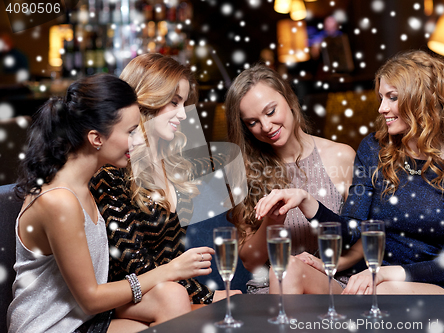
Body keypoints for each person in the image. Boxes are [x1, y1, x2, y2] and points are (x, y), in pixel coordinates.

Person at [254, 50, 444, 295]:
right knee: (286, 269)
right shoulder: (374, 149)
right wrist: (306, 200)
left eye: (392, 97)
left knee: (384, 292)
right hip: (373, 284)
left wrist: (383, 274)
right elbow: (350, 232)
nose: (381, 108)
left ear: (422, 99)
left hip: (443, 288)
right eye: (381, 97)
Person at [8, 74, 213, 333]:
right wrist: (171, 270)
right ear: (96, 139)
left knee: (172, 297)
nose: (139, 140)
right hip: (52, 326)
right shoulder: (59, 200)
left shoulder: (89, 181)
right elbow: (91, 298)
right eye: (131, 131)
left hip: (84, 317)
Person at [90, 53, 236, 306]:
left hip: (171, 291)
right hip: (127, 297)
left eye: (185, 104)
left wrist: (208, 295)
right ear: (147, 99)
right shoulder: (112, 171)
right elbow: (133, 264)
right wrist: (208, 298)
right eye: (174, 102)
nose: (183, 114)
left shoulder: (174, 162)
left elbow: (171, 260)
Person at [224, 63, 359, 294]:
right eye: (253, 122)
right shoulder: (245, 171)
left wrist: (330, 266)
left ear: (289, 98)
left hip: (331, 284)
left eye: (270, 111)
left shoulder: (341, 156)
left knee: (288, 269)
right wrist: (273, 222)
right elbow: (250, 262)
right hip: (269, 289)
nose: (266, 126)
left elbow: (365, 236)